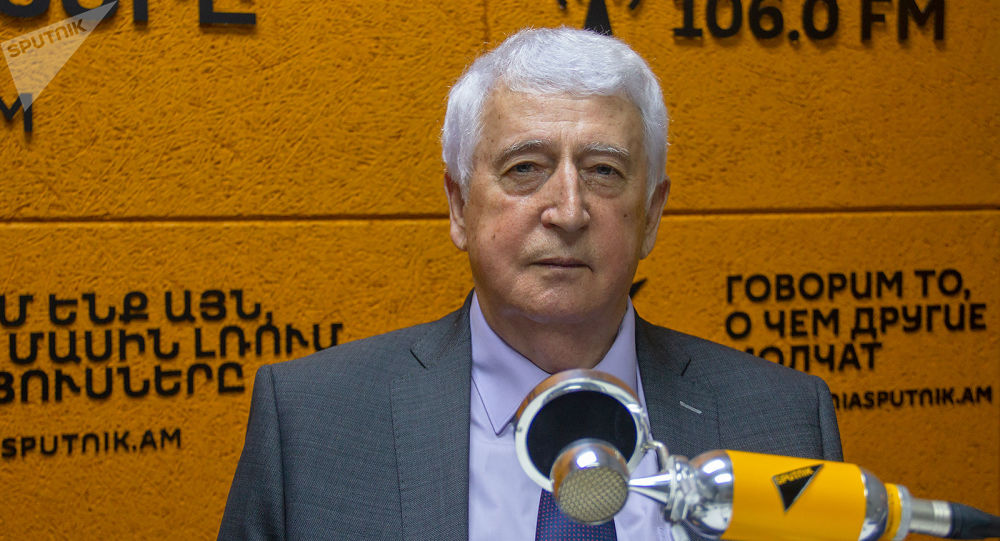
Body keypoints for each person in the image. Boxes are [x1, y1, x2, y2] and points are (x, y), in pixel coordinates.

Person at [218, 27, 841, 540]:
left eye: (603, 171)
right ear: (459, 206)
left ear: (651, 214)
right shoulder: (313, 427)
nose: (568, 211)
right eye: (525, 168)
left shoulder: (782, 426)